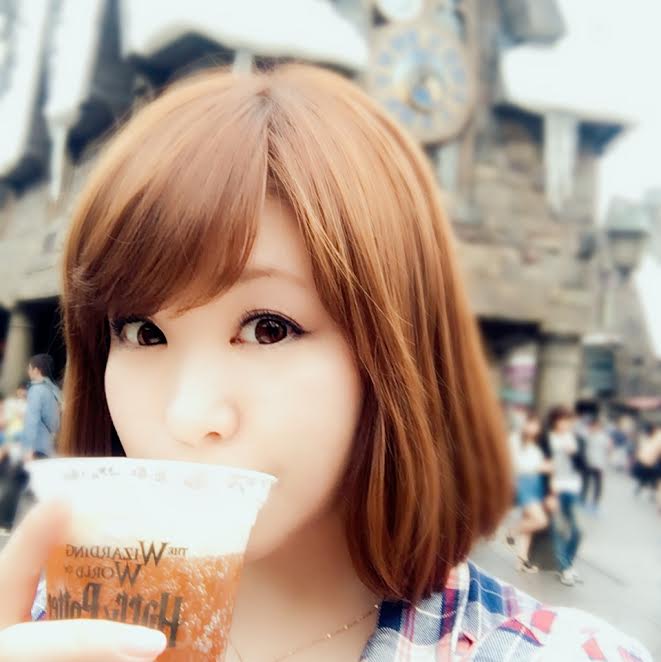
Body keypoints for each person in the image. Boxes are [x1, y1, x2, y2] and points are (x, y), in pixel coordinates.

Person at [0, 66, 650, 661]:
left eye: (268, 328)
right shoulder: (36, 626)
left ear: (392, 357)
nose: (188, 416)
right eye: (142, 333)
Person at [540, 406, 584, 587]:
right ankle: (564, 568)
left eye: (568, 420)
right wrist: (548, 494)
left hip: (572, 487)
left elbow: (583, 466)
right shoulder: (546, 439)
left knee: (578, 530)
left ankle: (568, 564)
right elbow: (541, 467)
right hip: (554, 489)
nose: (565, 424)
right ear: (555, 421)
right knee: (557, 530)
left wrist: (575, 454)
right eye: (562, 419)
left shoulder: (575, 439)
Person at [507, 412, 553, 573]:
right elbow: (513, 464)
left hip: (535, 484)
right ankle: (512, 531)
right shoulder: (514, 439)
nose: (533, 428)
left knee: (529, 526)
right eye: (531, 423)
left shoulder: (537, 444)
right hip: (523, 483)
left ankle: (522, 561)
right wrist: (539, 467)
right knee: (541, 520)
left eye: (536, 425)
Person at [22, 355, 62, 461]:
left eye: (30, 368)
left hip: (39, 447)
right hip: (55, 446)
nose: (28, 371)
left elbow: (32, 420)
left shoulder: (36, 390)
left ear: (36, 370)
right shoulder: (55, 390)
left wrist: (27, 448)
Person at [580, 416, 611, 513]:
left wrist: (606, 461)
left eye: (596, 426)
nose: (594, 428)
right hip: (587, 463)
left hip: (598, 464)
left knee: (598, 484)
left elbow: (609, 449)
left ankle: (595, 502)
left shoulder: (603, 437)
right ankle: (582, 499)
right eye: (592, 426)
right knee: (586, 482)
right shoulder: (586, 435)